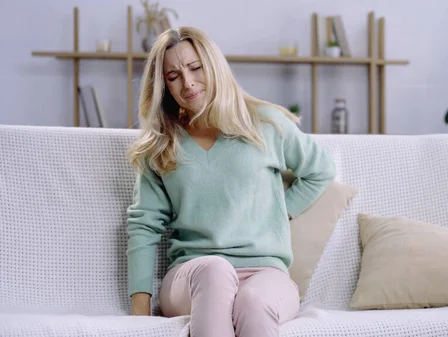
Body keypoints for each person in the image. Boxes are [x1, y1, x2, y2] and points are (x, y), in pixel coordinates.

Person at [125, 26, 336, 337]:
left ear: (214, 65)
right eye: (173, 77)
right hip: (192, 276)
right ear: (164, 86)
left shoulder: (265, 124)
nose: (188, 83)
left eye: (195, 68)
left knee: (252, 301)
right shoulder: (162, 144)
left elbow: (320, 170)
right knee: (215, 270)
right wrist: (138, 317)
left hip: (266, 274)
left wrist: (279, 213)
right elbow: (143, 226)